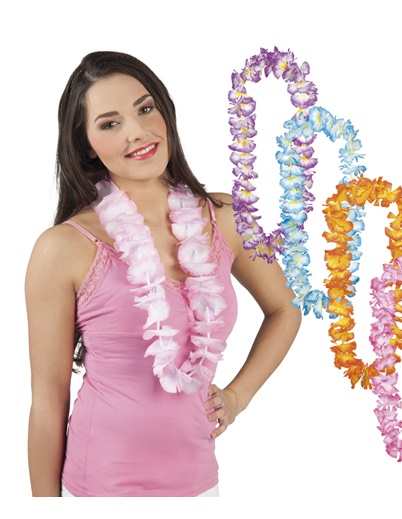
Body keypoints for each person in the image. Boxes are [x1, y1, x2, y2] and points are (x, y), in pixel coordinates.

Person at [25, 51, 301, 497]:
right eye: (109, 123)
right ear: (86, 144)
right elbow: (47, 401)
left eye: (145, 108)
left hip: (199, 486)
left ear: (165, 112)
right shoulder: (62, 248)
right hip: (99, 490)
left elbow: (284, 309)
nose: (137, 132)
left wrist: (237, 396)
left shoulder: (226, 218)